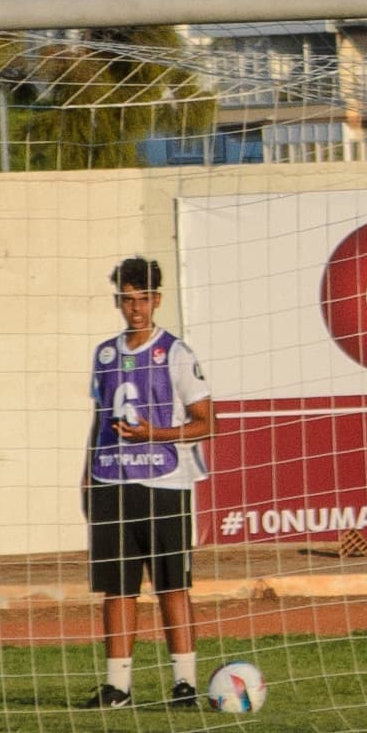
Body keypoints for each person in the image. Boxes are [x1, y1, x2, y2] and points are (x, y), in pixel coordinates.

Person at [80, 256, 215, 708]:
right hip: (111, 481)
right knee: (117, 588)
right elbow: (99, 419)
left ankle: (185, 684)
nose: (135, 308)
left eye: (143, 299)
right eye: (127, 299)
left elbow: (206, 422)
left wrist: (155, 434)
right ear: (118, 300)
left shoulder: (177, 352)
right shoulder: (104, 354)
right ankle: (118, 687)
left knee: (171, 586)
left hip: (165, 483)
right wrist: (87, 475)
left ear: (157, 300)